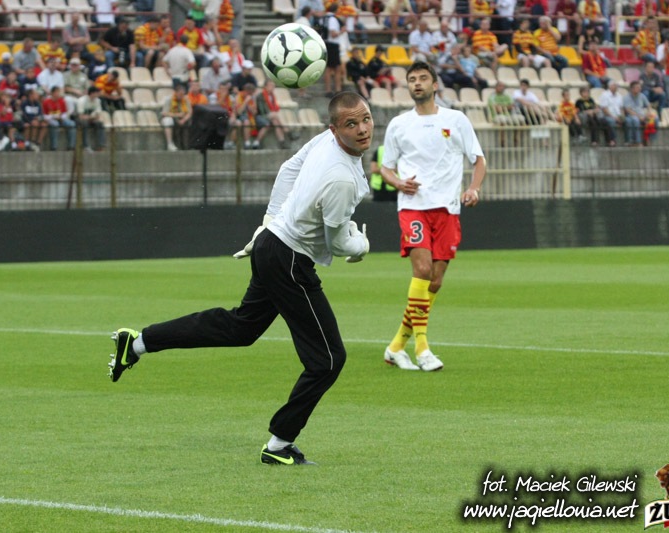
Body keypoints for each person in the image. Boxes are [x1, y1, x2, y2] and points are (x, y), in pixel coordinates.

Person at [107, 92, 373, 466]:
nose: (362, 129)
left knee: (241, 328)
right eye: (351, 124)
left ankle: (137, 344)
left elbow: (288, 170)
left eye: (365, 119)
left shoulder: (325, 143)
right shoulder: (341, 178)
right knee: (328, 360)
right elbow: (337, 242)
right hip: (289, 259)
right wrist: (360, 244)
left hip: (274, 246)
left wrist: (268, 224)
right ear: (334, 129)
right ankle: (279, 445)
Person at [379, 62, 486, 372]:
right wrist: (399, 183)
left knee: (435, 282)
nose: (417, 83)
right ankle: (422, 348)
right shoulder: (399, 124)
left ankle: (396, 347)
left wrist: (474, 189)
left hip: (448, 209)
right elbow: (386, 168)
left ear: (435, 85)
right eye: (412, 79)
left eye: (423, 78)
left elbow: (478, 160)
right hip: (413, 206)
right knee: (422, 269)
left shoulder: (456, 120)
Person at [42, 85, 77, 150]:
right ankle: (54, 147)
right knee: (55, 124)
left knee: (71, 124)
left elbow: (64, 113)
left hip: (60, 119)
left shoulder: (61, 101)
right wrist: (53, 117)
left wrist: (61, 117)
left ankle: (71, 146)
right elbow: (44, 115)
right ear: (52, 93)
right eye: (57, 92)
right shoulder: (46, 102)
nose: (58, 94)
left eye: (59, 92)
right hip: (51, 119)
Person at [160, 83, 192, 151]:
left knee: (189, 123)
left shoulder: (186, 99)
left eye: (183, 94)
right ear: (176, 93)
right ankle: (170, 144)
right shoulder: (169, 99)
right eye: (180, 94)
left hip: (183, 119)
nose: (181, 96)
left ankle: (186, 145)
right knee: (168, 121)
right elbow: (164, 113)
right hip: (172, 117)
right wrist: (177, 115)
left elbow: (189, 112)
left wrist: (183, 120)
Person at [622, 80, 651, 145]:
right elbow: (628, 110)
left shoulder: (642, 95)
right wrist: (639, 117)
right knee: (636, 120)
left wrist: (648, 113)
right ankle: (638, 141)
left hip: (642, 115)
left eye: (640, 87)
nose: (640, 89)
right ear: (632, 89)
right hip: (632, 116)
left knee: (654, 119)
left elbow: (648, 105)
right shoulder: (626, 97)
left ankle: (647, 140)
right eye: (637, 87)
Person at [76, 86, 105, 151]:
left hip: (91, 119)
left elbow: (98, 114)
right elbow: (80, 116)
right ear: (92, 93)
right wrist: (91, 117)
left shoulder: (98, 101)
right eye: (97, 93)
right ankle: (85, 145)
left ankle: (101, 145)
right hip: (79, 119)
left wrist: (92, 117)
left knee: (99, 124)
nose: (98, 94)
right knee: (84, 124)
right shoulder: (81, 101)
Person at [598, 80, 623, 146]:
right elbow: (604, 109)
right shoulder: (605, 95)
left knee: (630, 120)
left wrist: (622, 116)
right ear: (610, 86)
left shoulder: (619, 96)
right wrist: (614, 118)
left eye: (617, 86)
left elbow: (621, 108)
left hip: (618, 116)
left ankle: (631, 141)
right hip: (607, 116)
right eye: (614, 85)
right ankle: (612, 140)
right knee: (611, 121)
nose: (616, 87)